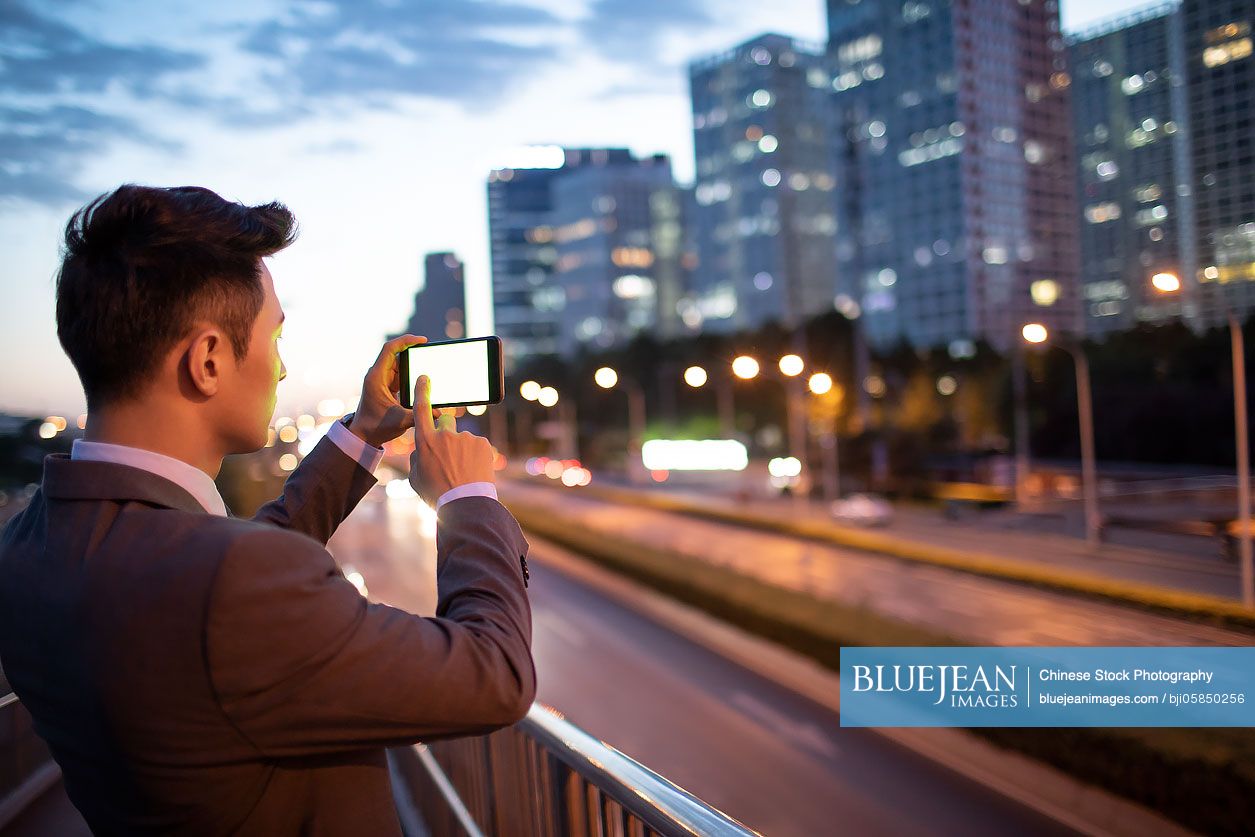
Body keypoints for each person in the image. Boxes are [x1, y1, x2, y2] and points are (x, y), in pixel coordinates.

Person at [0, 185, 534, 835]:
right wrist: (466, 498)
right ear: (208, 360)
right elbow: (495, 674)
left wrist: (362, 432)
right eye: (274, 337)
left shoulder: (29, 543)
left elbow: (225, 582)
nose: (281, 370)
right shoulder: (226, 586)